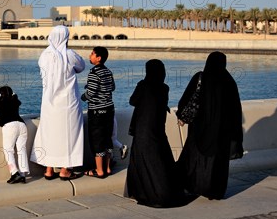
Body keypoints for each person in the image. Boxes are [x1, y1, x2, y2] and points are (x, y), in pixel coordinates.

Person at [176, 51, 244, 200]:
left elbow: (187, 97)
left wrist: (181, 115)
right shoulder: (229, 81)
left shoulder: (201, 77)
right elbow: (235, 109)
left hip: (200, 127)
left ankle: (193, 186)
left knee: (195, 157)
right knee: (218, 161)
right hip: (222, 131)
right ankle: (215, 191)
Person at [30, 25, 86, 181]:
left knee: (49, 134)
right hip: (69, 103)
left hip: (49, 103)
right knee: (69, 134)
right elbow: (81, 66)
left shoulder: (44, 55)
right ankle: (65, 170)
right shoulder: (69, 55)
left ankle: (48, 170)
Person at [126, 59, 184, 207]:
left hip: (142, 128)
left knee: (143, 159)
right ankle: (168, 190)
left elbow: (133, 101)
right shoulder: (164, 88)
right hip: (157, 127)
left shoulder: (143, 85)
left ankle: (145, 191)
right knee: (160, 159)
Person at [81, 46, 115, 178]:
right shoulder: (108, 71)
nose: (90, 56)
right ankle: (107, 168)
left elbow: (91, 93)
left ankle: (99, 171)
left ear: (98, 58)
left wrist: (82, 97)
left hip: (97, 111)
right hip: (109, 109)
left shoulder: (94, 72)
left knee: (97, 140)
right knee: (107, 138)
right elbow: (112, 87)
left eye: (92, 54)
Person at [0, 85, 29, 184]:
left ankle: (14, 173)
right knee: (21, 149)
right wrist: (13, 94)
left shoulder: (0, 102)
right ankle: (23, 174)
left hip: (10, 126)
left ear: (1, 94)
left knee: (8, 150)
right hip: (22, 125)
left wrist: (0, 95)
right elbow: (17, 100)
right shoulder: (15, 101)